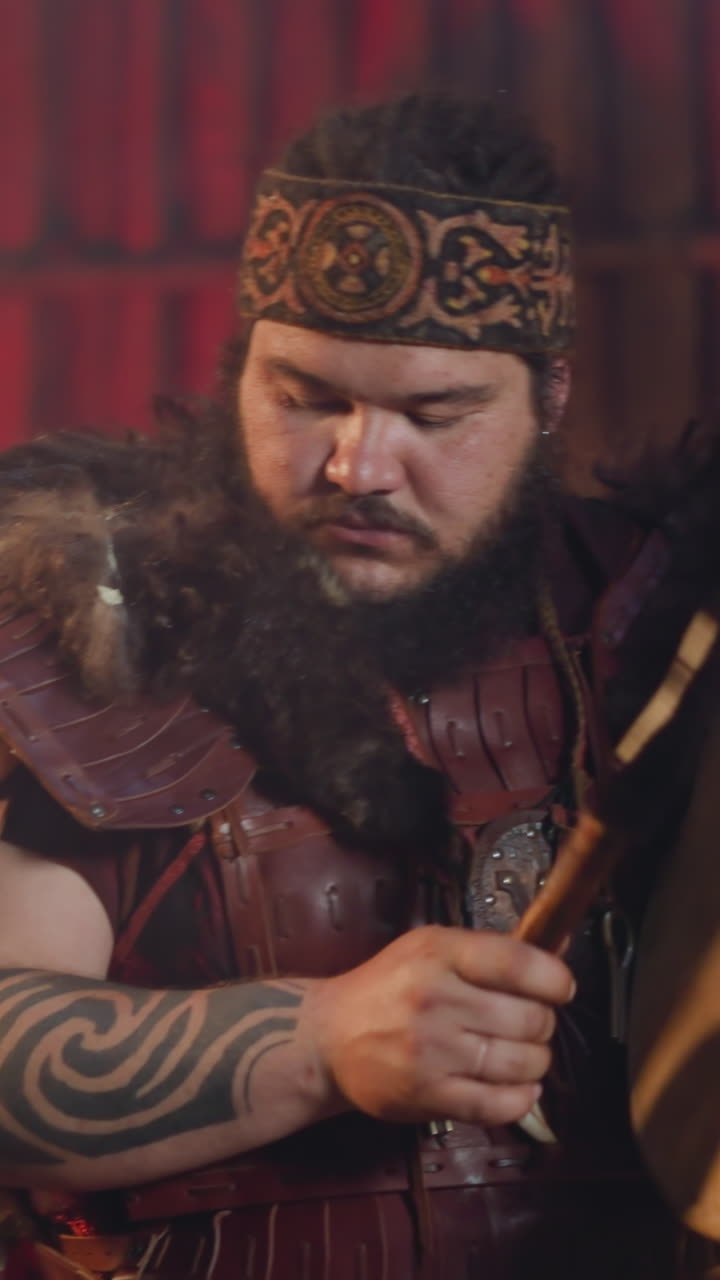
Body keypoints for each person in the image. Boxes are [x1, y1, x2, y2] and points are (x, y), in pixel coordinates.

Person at [0, 92, 707, 1279]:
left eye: (437, 413)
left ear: (550, 401)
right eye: (306, 395)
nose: (357, 465)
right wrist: (319, 1040)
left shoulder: (660, 624)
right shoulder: (103, 629)